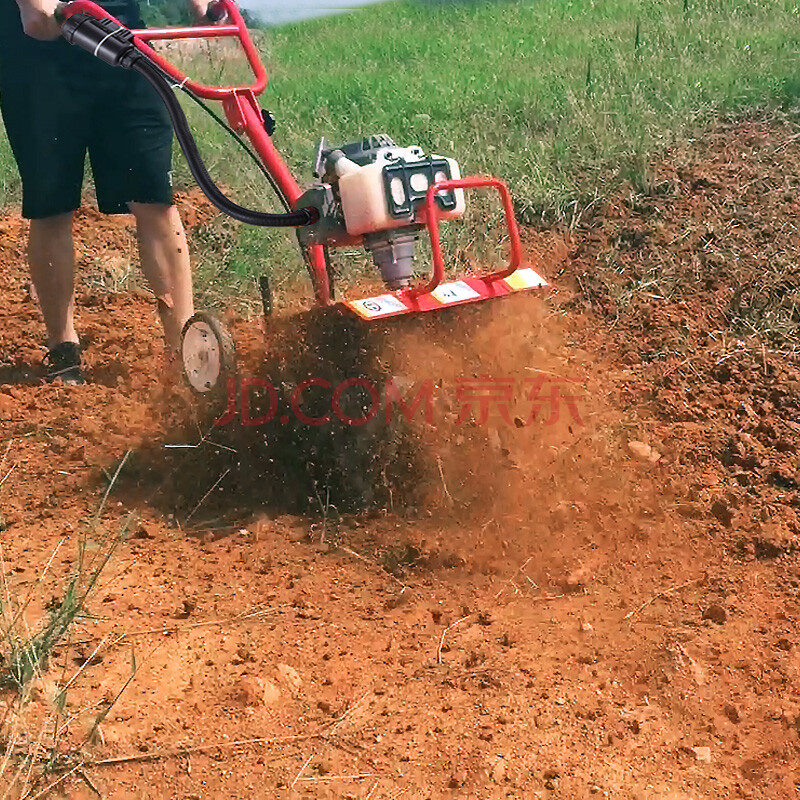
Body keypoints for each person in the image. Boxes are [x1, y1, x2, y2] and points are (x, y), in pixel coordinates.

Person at [0, 0, 209, 384]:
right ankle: (64, 350)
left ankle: (188, 347)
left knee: (154, 194)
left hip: (119, 34)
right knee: (51, 202)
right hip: (39, 51)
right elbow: (37, 17)